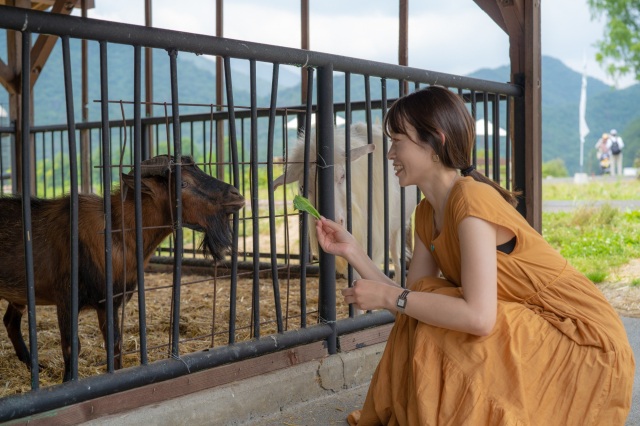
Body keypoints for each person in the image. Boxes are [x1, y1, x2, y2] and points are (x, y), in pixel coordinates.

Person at [315, 86, 634, 425]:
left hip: (580, 341)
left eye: (398, 141)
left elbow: (478, 317)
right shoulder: (426, 213)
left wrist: (391, 296)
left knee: (441, 312)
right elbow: (411, 305)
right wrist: (353, 252)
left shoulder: (471, 201)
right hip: (528, 322)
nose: (391, 153)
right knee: (426, 305)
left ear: (435, 141)